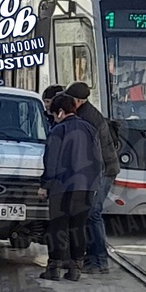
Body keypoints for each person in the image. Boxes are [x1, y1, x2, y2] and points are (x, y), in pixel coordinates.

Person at [38, 94, 103, 282]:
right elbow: (98, 160)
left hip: (62, 186)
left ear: (60, 112)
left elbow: (51, 161)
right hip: (86, 187)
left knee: (57, 227)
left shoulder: (59, 130)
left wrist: (45, 185)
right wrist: (94, 184)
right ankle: (75, 268)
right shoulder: (90, 129)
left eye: (53, 114)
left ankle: (54, 268)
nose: (53, 118)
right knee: (78, 227)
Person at [65, 81, 120, 274]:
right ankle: (93, 257)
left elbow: (91, 152)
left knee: (92, 212)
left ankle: (99, 260)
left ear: (78, 101)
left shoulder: (87, 118)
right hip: (100, 169)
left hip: (103, 170)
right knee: (89, 212)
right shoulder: (85, 113)